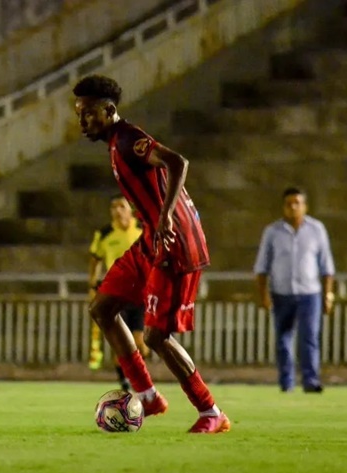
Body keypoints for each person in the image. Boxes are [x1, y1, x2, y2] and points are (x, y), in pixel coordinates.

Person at [73, 74, 230, 434]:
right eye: (79, 114)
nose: (82, 122)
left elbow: (178, 163)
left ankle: (211, 412)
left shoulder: (130, 140)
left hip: (176, 243)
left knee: (157, 336)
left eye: (88, 114)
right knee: (103, 308)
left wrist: (164, 216)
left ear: (109, 110)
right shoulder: (115, 143)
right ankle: (147, 395)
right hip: (151, 240)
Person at [254, 187, 336, 393]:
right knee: (284, 339)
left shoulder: (317, 230)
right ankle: (287, 381)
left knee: (309, 337)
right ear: (284, 207)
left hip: (310, 293)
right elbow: (262, 267)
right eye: (289, 204)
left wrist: (328, 295)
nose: (293, 207)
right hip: (281, 293)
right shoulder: (272, 232)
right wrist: (263, 294)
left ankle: (310, 380)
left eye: (297, 203)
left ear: (304, 206)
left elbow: (327, 266)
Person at [87, 194, 151, 391]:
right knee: (121, 342)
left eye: (121, 206)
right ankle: (125, 383)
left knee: (141, 344)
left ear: (130, 209)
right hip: (116, 293)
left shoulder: (142, 229)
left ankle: (136, 376)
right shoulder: (104, 234)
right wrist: (92, 283)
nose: (117, 211)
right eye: (113, 207)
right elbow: (95, 258)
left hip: (141, 293)